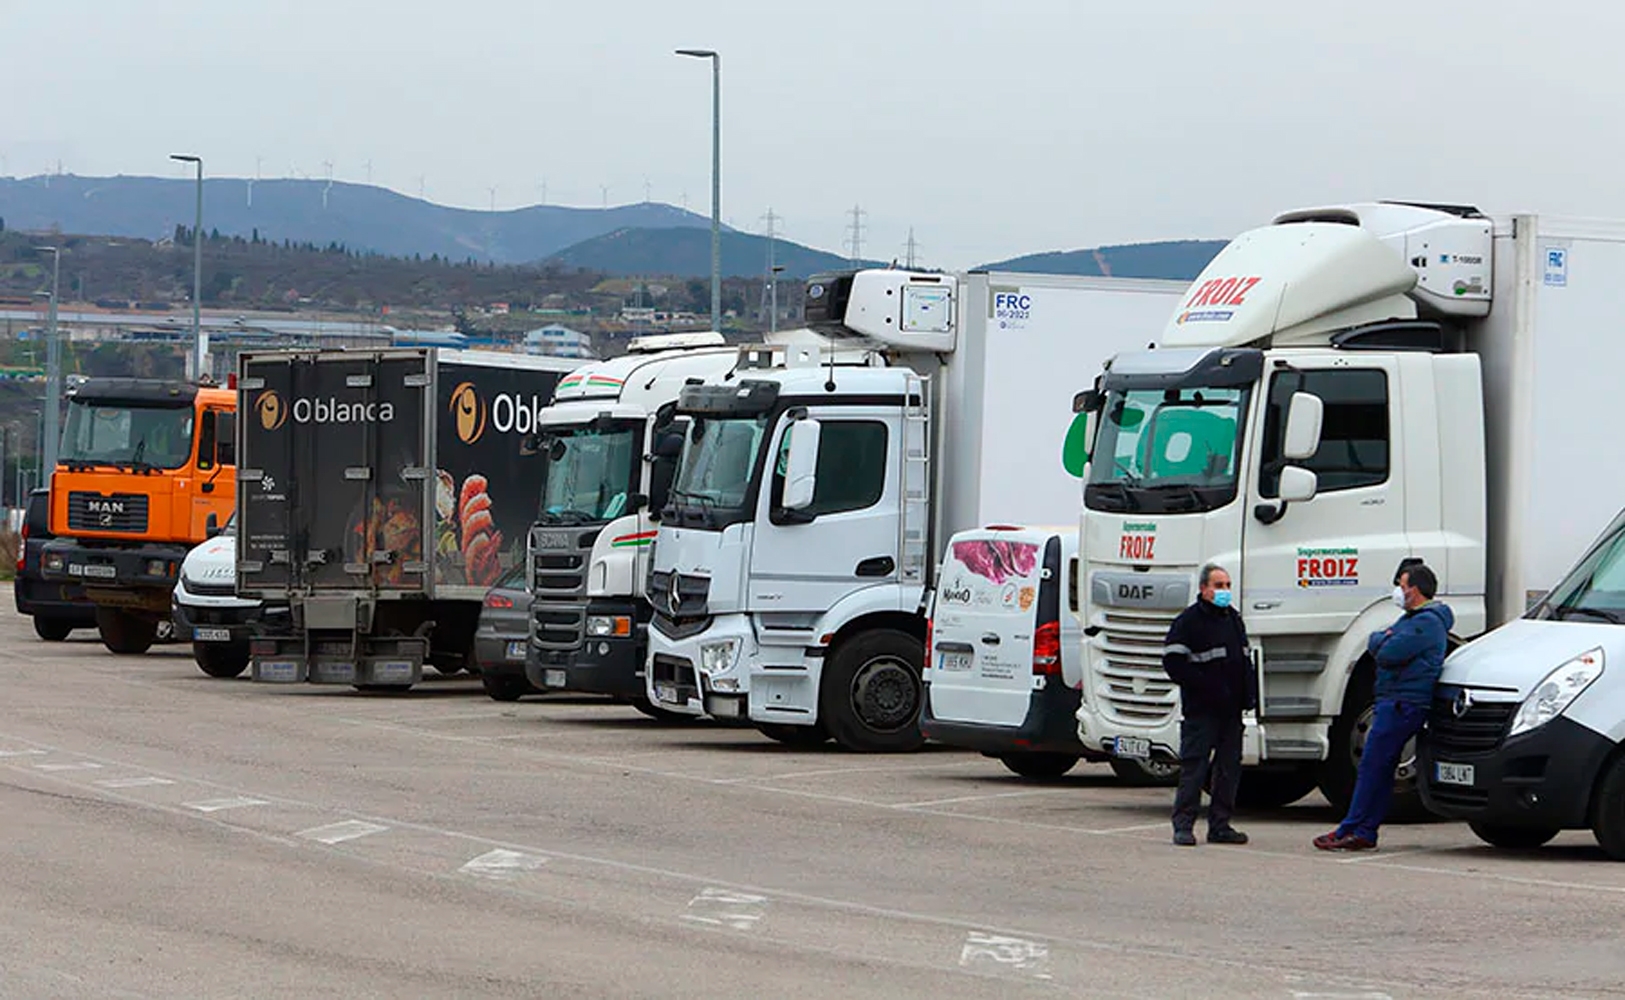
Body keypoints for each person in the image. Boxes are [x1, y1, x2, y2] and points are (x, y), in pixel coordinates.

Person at [1315, 561, 1453, 852]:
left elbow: (1387, 651)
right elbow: (1378, 641)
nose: (1399, 591)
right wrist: (1382, 640)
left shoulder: (1425, 622)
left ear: (1414, 590)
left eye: (1402, 586)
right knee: (1378, 768)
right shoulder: (1412, 619)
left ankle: (1352, 828)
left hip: (1402, 703)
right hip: (1395, 700)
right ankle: (1364, 830)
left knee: (1371, 767)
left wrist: (1383, 640)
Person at [1163, 563, 1257, 847]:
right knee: (1195, 768)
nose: (1224, 591)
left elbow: (1244, 660)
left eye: (1227, 586)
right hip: (1202, 711)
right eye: (1218, 586)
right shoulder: (1188, 621)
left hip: (1231, 712)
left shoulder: (1233, 619)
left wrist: (1248, 695)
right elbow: (1173, 663)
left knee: (1229, 768)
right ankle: (1183, 826)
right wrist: (1206, 688)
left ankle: (1220, 825)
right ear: (1203, 589)